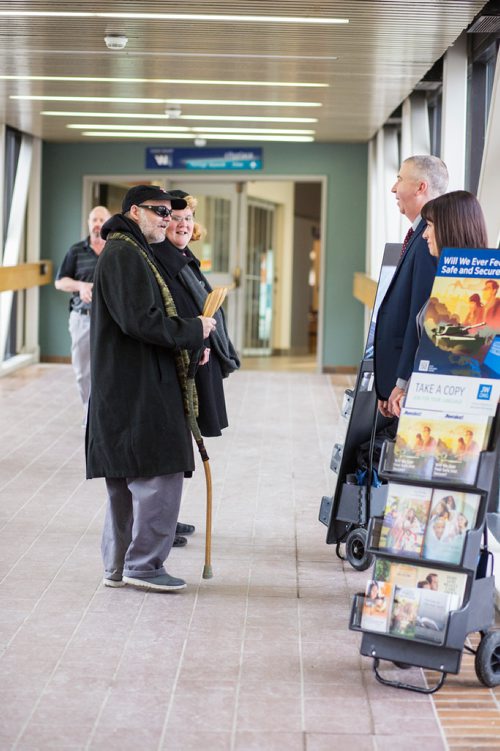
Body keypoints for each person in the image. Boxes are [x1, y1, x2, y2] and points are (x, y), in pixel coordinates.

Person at [85, 185, 217, 592]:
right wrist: (194, 330)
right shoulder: (126, 252)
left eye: (170, 211)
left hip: (129, 385)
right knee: (158, 473)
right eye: (158, 210)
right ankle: (143, 565)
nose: (167, 216)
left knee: (127, 478)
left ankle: (118, 566)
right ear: (133, 211)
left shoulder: (130, 250)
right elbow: (141, 320)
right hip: (137, 387)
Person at [150, 190, 240, 545]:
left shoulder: (183, 257)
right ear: (161, 222)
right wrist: (193, 340)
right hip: (177, 359)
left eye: (188, 218)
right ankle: (159, 525)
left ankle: (167, 519)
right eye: (175, 218)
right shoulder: (159, 260)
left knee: (180, 444)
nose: (183, 224)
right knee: (169, 447)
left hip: (193, 356)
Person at [392, 190, 489, 417]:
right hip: (428, 407)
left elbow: (463, 365)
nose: (425, 235)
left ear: (450, 227)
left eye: (430, 226)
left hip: (459, 420)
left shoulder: (479, 292)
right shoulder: (448, 284)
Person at [374, 155, 449, 418]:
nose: (393, 188)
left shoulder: (431, 244)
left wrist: (401, 380)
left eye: (399, 179)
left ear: (421, 187)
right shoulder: (418, 236)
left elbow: (420, 316)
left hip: (408, 383)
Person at [55, 205, 110, 418]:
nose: (97, 224)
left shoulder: (116, 250)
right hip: (82, 320)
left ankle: (105, 416)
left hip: (111, 321)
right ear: (88, 223)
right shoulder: (76, 250)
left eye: (101, 220)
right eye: (94, 220)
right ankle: (90, 417)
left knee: (110, 370)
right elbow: (60, 282)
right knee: (83, 373)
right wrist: (81, 286)